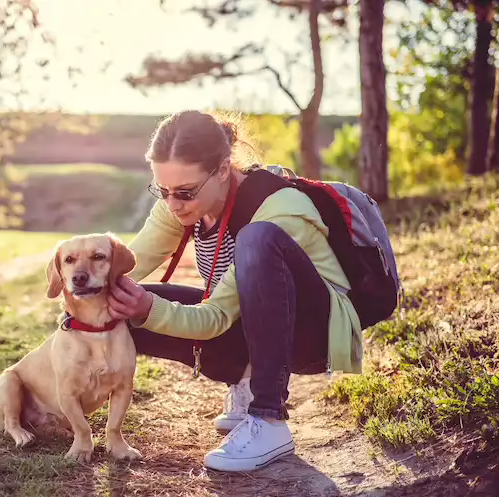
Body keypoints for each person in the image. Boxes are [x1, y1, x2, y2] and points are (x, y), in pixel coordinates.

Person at [107, 109, 363, 472]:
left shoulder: (278, 209)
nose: (172, 203)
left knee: (255, 240)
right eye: (162, 190)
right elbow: (125, 265)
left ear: (223, 170)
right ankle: (245, 381)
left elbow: (214, 318)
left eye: (184, 192)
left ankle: (269, 419)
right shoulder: (181, 205)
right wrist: (88, 294)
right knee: (117, 302)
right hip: (246, 322)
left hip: (312, 334)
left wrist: (149, 308)